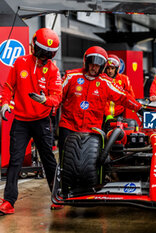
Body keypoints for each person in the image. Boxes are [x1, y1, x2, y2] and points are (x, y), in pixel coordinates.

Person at [0, 28, 62, 215]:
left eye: (49, 54)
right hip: (20, 121)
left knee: (49, 160)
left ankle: (57, 196)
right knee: (15, 161)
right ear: (35, 47)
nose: (45, 57)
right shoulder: (20, 63)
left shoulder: (53, 70)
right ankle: (9, 202)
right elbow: (8, 86)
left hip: (42, 121)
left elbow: (57, 96)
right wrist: (4, 104)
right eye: (43, 52)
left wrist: (46, 101)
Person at [58, 46, 142, 159]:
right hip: (69, 126)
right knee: (65, 159)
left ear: (102, 66)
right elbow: (56, 95)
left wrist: (139, 108)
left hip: (93, 129)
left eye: (97, 65)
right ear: (86, 63)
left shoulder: (106, 82)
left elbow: (124, 96)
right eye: (92, 64)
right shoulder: (71, 76)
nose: (94, 68)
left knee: (91, 161)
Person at [104, 54, 135, 120]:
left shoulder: (124, 79)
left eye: (112, 68)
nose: (110, 71)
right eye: (108, 68)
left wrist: (135, 106)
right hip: (104, 115)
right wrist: (107, 114)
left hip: (119, 114)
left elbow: (130, 95)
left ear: (117, 68)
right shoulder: (102, 79)